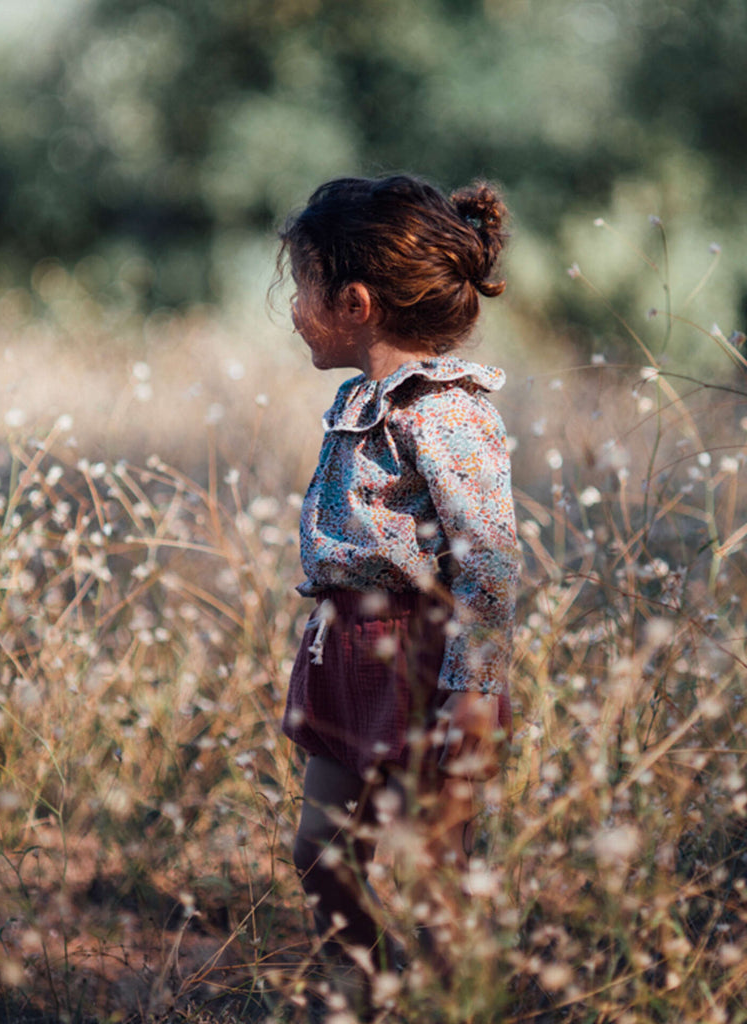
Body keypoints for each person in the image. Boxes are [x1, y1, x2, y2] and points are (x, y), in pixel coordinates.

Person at [277, 174, 518, 987]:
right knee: (321, 851)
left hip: (423, 659)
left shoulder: (446, 413)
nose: (291, 305)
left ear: (354, 302)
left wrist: (475, 687)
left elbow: (486, 555)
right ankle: (369, 990)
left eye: (299, 285)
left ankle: (463, 1002)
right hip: (348, 647)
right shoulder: (361, 398)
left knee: (433, 871)